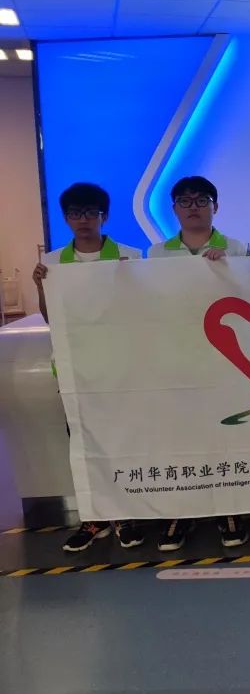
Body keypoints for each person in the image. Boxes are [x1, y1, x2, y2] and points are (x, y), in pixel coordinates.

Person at [31, 182, 144, 553]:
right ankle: (94, 518)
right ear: (66, 218)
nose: (83, 219)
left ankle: (125, 515)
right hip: (74, 370)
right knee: (84, 445)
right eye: (75, 213)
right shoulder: (52, 263)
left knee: (122, 441)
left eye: (91, 212)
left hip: (119, 368)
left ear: (104, 216)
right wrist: (40, 288)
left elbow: (141, 313)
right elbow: (52, 319)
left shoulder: (129, 256)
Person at [147, 176, 250, 551]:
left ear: (215, 206)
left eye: (201, 200)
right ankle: (181, 512)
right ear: (173, 208)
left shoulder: (237, 248)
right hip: (176, 360)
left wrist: (231, 270)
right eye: (185, 201)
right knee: (180, 437)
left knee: (226, 437)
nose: (193, 207)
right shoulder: (156, 255)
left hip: (226, 361)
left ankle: (229, 510)